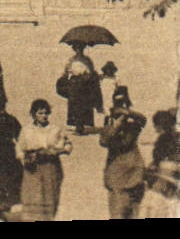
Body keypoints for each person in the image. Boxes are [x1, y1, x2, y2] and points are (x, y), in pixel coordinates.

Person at [17, 97, 72, 221]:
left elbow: (68, 145)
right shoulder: (26, 130)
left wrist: (60, 150)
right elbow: (19, 149)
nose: (44, 116)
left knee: (51, 197)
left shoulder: (55, 129)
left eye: (46, 113)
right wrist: (25, 160)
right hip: (33, 168)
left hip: (51, 167)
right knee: (34, 198)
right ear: (34, 114)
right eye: (40, 113)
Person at [101, 86, 148, 219]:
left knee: (134, 214)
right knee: (118, 214)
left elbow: (143, 120)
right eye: (118, 103)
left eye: (124, 102)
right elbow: (103, 141)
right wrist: (116, 125)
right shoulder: (110, 122)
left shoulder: (134, 122)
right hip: (117, 178)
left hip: (134, 176)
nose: (121, 106)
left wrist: (127, 113)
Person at [143, 108, 180, 219]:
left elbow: (157, 159)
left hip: (165, 179)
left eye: (156, 126)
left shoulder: (163, 139)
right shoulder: (177, 136)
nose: (155, 129)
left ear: (160, 125)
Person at [59, 44, 104, 134]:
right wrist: (63, 77)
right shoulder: (71, 60)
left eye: (81, 48)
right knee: (74, 104)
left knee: (83, 105)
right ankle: (77, 126)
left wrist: (88, 75)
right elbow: (66, 71)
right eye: (77, 48)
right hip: (74, 83)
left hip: (84, 83)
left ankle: (81, 126)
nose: (79, 50)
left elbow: (91, 71)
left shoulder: (87, 60)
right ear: (74, 49)